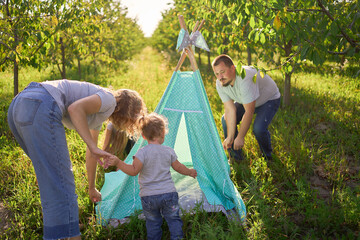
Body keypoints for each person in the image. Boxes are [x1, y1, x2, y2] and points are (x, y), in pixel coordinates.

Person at [7, 79, 146, 240]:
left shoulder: (100, 114)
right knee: (63, 179)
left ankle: (64, 227)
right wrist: (93, 148)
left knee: (51, 178)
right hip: (41, 103)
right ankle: (72, 235)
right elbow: (75, 109)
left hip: (19, 106)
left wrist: (92, 187)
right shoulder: (109, 100)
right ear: (128, 111)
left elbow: (91, 152)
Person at [107, 112, 197, 240]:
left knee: (153, 222)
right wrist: (189, 172)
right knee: (173, 219)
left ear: (143, 136)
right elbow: (178, 167)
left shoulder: (141, 153)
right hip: (168, 195)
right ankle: (177, 237)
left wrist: (119, 163)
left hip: (148, 197)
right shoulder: (168, 151)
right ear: (162, 134)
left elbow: (133, 171)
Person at [212, 54, 281, 161]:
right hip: (245, 100)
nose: (220, 77)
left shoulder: (245, 79)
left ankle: (268, 157)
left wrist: (240, 137)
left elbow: (249, 111)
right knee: (224, 119)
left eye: (222, 72)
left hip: (268, 99)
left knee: (258, 128)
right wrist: (230, 137)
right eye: (217, 74)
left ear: (232, 68)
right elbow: (230, 110)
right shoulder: (220, 83)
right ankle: (236, 158)